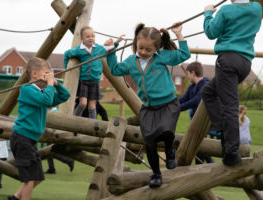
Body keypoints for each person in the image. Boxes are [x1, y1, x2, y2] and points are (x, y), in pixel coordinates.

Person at [106, 22, 190, 187]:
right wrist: (112, 50)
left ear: (156, 50)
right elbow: (115, 69)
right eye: (140, 48)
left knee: (166, 131)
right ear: (136, 44)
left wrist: (179, 34)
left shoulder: (162, 57)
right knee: (149, 142)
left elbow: (184, 54)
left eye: (148, 50)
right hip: (149, 108)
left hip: (168, 104)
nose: (143, 52)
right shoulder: (131, 62)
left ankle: (169, 152)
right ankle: (156, 174)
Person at [202, 0, 261, 166]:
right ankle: (221, 129)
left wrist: (208, 13)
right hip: (245, 64)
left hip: (227, 60)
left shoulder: (226, 10)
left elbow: (211, 32)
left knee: (230, 105)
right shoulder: (256, 9)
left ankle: (231, 152)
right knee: (208, 92)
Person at [5, 57, 70, 200]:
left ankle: (15, 198)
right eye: (46, 72)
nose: (48, 75)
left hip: (30, 141)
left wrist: (56, 84)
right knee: (29, 178)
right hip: (22, 139)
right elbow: (47, 101)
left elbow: (65, 95)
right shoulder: (27, 89)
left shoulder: (42, 91)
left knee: (38, 177)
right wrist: (50, 84)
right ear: (34, 74)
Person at [64, 26, 122, 120]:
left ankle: (92, 124)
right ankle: (75, 120)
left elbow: (110, 48)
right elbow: (67, 54)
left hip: (95, 80)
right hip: (83, 80)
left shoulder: (98, 48)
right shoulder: (79, 50)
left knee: (92, 105)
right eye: (88, 36)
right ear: (82, 38)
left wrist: (117, 42)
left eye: (92, 36)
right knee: (83, 103)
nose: (91, 38)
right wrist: (66, 67)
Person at [179, 61, 213, 164]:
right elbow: (183, 99)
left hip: (205, 123)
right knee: (199, 151)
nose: (188, 76)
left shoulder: (205, 85)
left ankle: (212, 166)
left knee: (201, 148)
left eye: (188, 74)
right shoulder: (192, 87)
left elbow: (197, 101)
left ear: (193, 73)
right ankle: (202, 169)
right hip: (196, 121)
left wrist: (178, 108)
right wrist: (171, 104)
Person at [44, 107, 74, 174]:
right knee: (48, 152)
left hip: (53, 136)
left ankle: (68, 161)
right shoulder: (54, 112)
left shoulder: (53, 113)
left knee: (49, 152)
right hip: (53, 135)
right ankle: (51, 169)